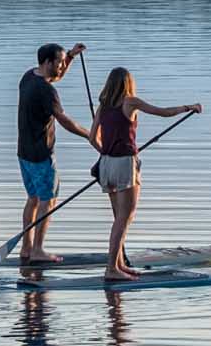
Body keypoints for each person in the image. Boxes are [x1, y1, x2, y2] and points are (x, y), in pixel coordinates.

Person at [94, 67, 201, 280]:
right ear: (127, 83)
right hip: (124, 164)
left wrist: (107, 151)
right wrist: (189, 107)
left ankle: (120, 264)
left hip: (105, 164)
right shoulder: (130, 102)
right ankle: (111, 269)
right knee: (125, 217)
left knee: (118, 217)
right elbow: (162, 112)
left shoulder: (102, 107)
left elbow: (91, 137)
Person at [15, 42, 99, 264]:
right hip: (41, 154)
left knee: (33, 199)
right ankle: (38, 250)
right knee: (47, 201)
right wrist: (91, 136)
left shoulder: (28, 77)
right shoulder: (46, 90)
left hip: (23, 152)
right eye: (60, 62)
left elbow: (56, 77)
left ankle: (26, 248)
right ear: (47, 62)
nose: (62, 66)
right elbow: (64, 120)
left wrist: (70, 56)